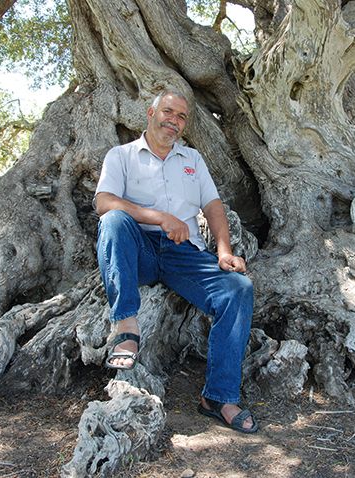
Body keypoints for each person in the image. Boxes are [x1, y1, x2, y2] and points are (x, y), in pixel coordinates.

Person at [93, 90, 258, 434]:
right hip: (136, 249)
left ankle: (218, 397)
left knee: (238, 289)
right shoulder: (121, 156)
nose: (174, 120)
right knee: (113, 221)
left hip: (184, 253)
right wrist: (157, 217)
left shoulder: (192, 160)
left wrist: (224, 251)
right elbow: (104, 201)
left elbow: (212, 205)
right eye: (168, 111)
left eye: (182, 116)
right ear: (151, 113)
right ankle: (125, 325)